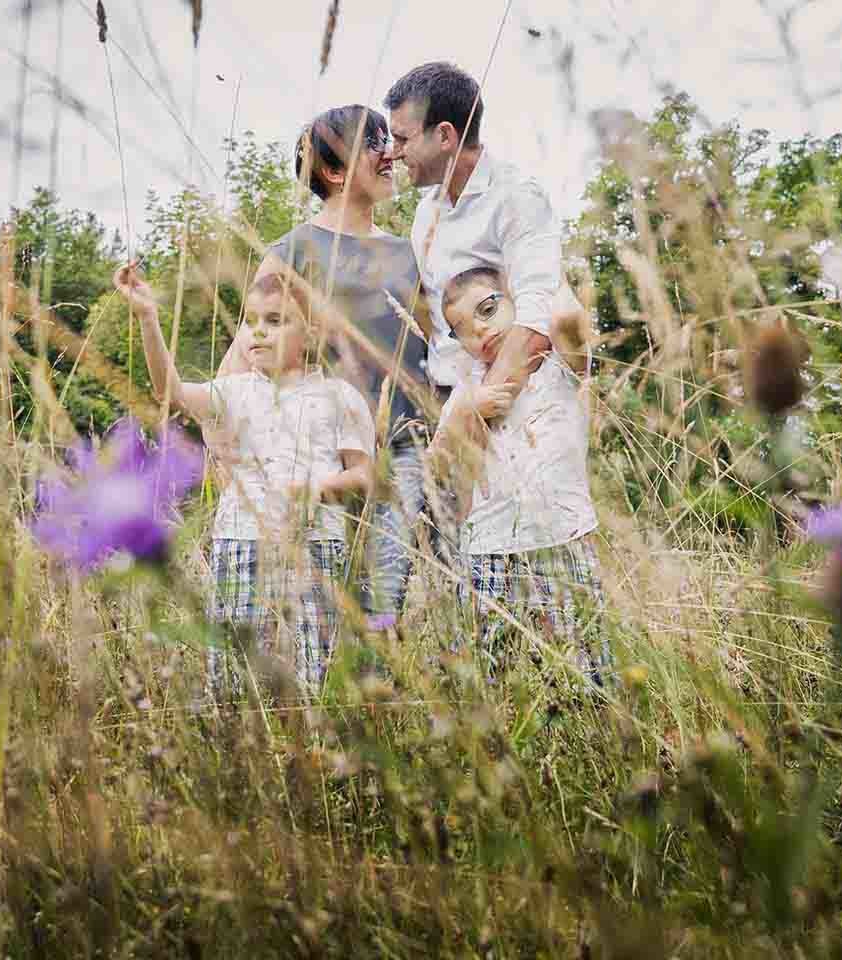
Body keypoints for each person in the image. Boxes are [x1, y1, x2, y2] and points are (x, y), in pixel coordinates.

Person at [216, 104, 435, 625]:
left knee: (382, 598)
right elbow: (244, 356)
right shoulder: (293, 250)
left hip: (402, 447)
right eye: (372, 145)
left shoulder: (411, 252)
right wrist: (231, 468)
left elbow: (434, 346)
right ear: (333, 171)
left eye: (388, 140)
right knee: (321, 604)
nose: (389, 154)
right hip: (318, 451)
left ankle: (377, 698)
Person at [114, 263, 375, 695]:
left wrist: (319, 488)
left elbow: (364, 478)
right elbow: (170, 392)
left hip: (316, 545)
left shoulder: (339, 398)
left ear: (310, 333)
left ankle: (316, 746)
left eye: (275, 321)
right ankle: (241, 741)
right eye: (250, 322)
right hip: (242, 539)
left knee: (319, 669)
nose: (258, 332)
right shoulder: (233, 392)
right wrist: (147, 318)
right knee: (235, 669)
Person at [429, 266, 605, 684]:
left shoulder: (555, 362)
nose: (479, 331)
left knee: (584, 665)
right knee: (488, 672)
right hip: (488, 547)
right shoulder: (467, 387)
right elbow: (436, 461)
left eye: (488, 309)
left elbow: (566, 320)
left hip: (562, 536)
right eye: (462, 330)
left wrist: (536, 260)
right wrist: (468, 414)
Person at [384, 61, 590, 409]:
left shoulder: (516, 197)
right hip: (453, 403)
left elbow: (537, 320)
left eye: (403, 138)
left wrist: (469, 424)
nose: (394, 152)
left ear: (445, 136)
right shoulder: (425, 215)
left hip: (525, 402)